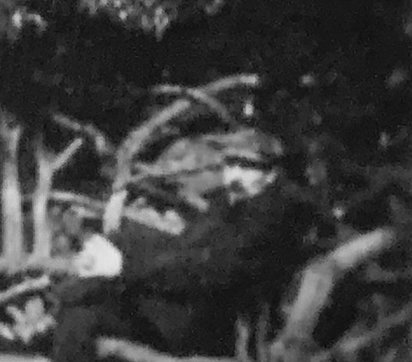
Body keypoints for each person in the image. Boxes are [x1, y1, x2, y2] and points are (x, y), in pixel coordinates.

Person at [48, 133, 325, 362]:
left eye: (246, 166)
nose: (234, 175)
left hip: (214, 324)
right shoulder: (230, 203)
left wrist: (124, 267)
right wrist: (121, 251)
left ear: (271, 173)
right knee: (84, 296)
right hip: (188, 305)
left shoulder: (271, 216)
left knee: (84, 306)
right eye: (230, 164)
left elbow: (212, 270)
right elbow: (185, 250)